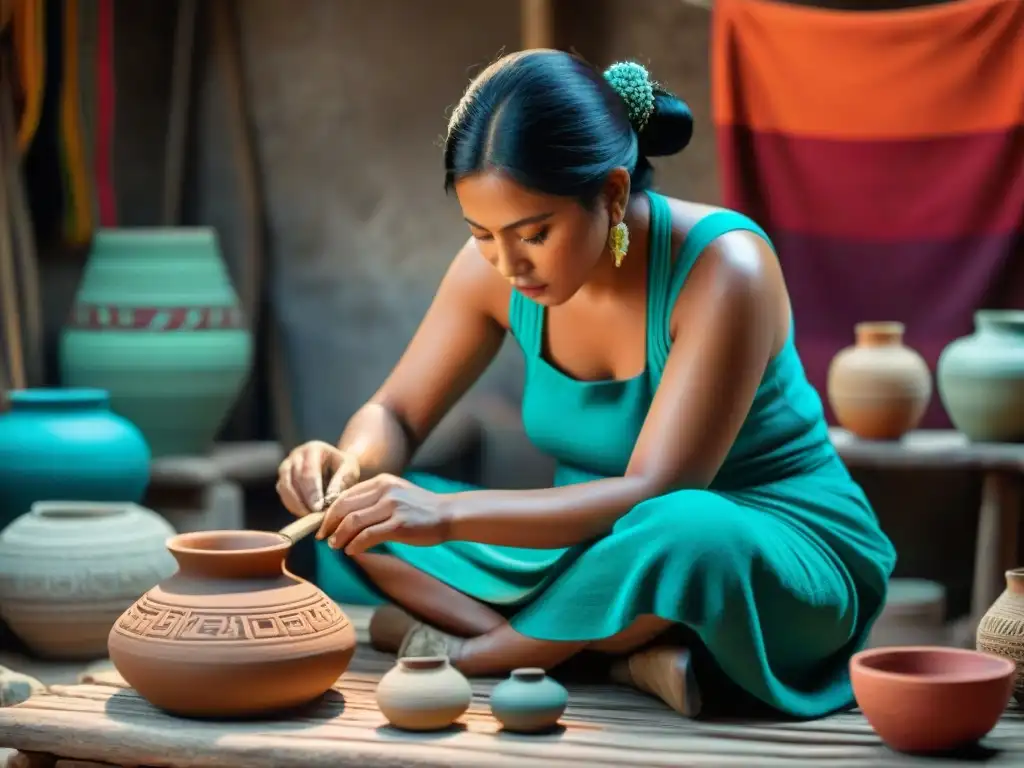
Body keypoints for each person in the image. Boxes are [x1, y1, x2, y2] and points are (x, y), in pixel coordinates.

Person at [275, 50, 896, 719]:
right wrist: (350, 468)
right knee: (356, 522)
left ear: (614, 193)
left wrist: (447, 517)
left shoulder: (725, 269)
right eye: (481, 234)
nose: (508, 263)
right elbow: (396, 413)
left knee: (687, 528)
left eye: (534, 233)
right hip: (587, 550)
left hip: (755, 547)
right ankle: (621, 654)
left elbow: (655, 490)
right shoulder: (496, 268)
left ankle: (487, 650)